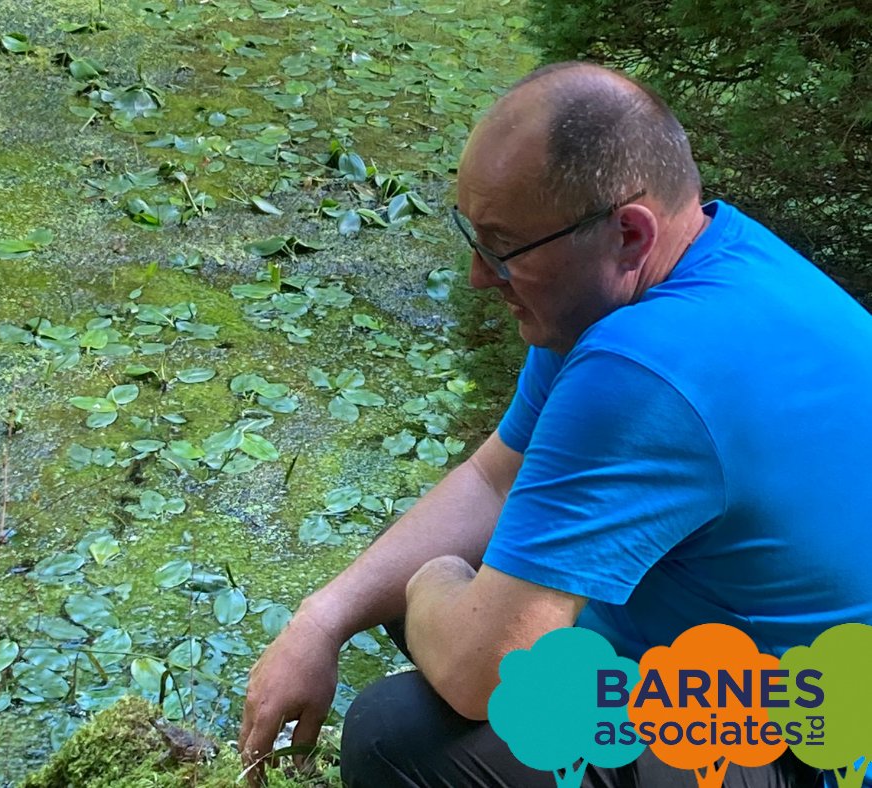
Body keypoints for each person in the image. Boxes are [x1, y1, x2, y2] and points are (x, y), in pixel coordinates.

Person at [239, 62, 872, 787]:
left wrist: (433, 583)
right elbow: (493, 479)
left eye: (503, 248)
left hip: (816, 741)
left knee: (399, 732)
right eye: (474, 237)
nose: (480, 276)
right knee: (435, 591)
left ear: (628, 233)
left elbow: (483, 673)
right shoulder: (669, 273)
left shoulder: (645, 366)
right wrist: (321, 620)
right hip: (744, 671)